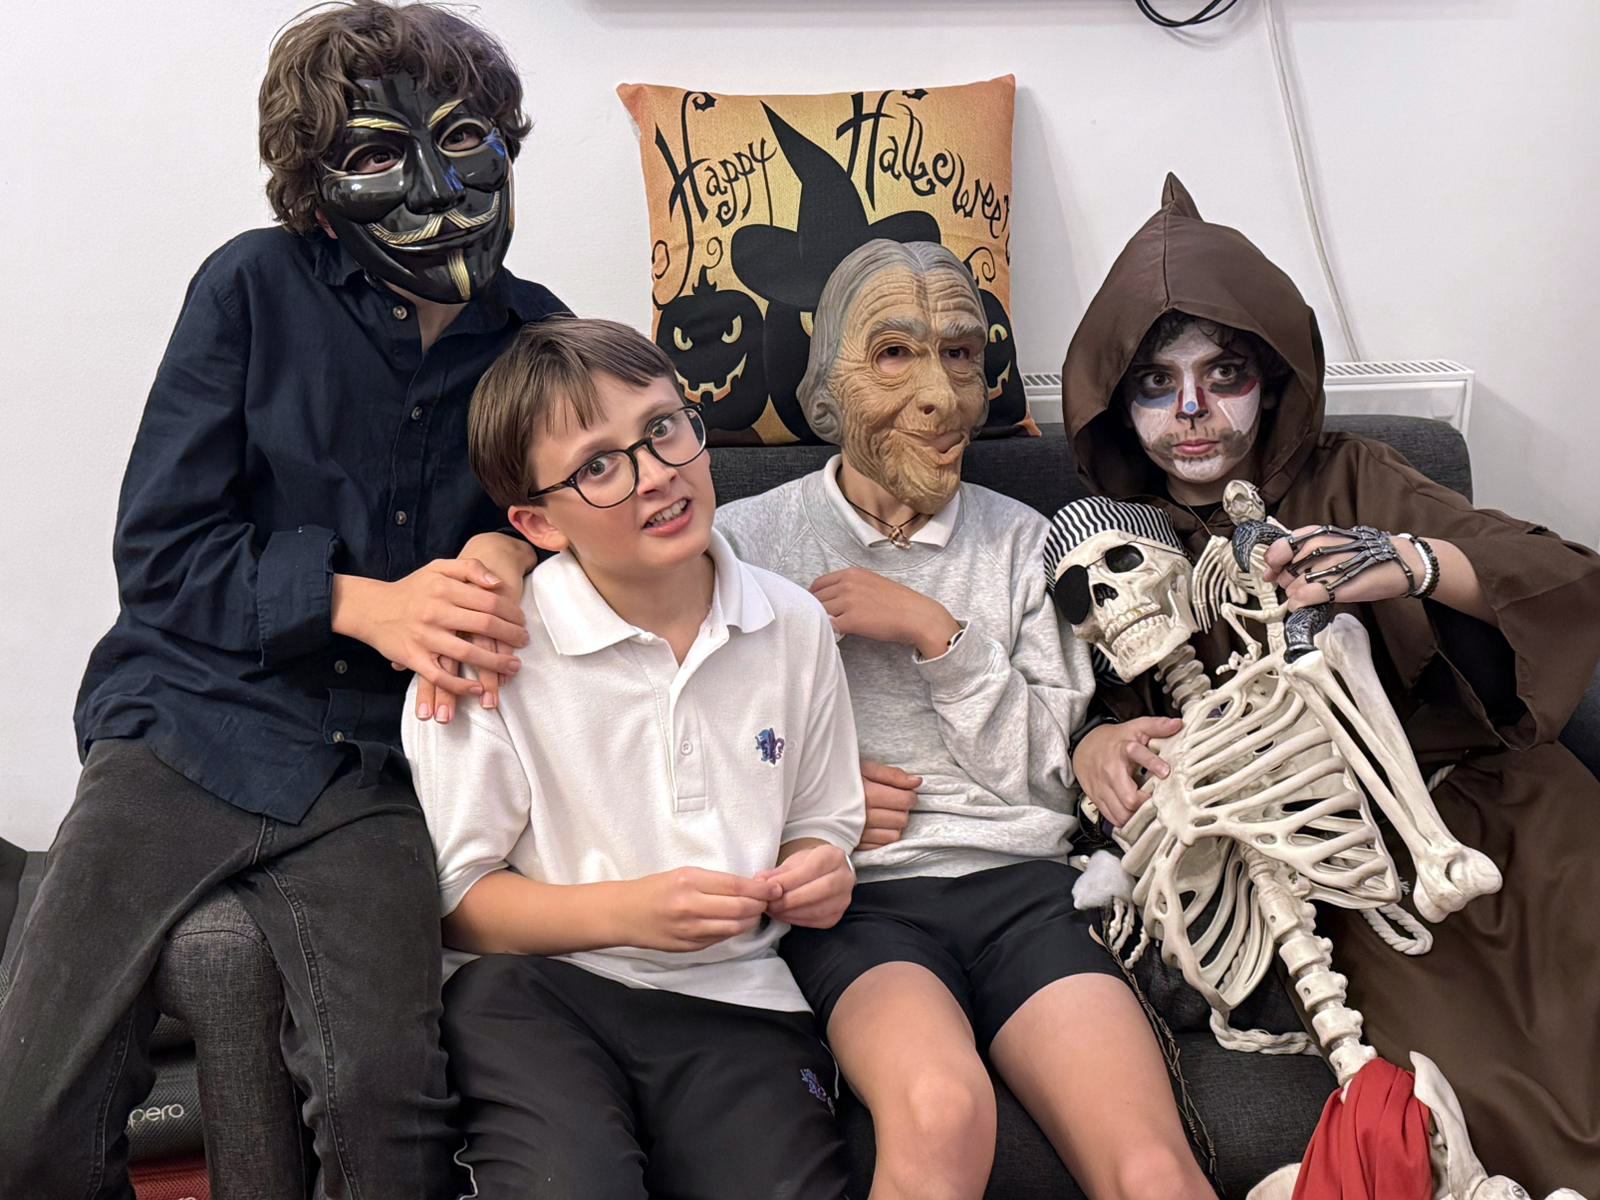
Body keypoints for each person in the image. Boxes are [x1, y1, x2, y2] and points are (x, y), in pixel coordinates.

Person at [0, 5, 566, 1195]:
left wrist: (527, 554)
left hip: (379, 767)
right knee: (26, 1111)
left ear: (507, 143)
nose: (433, 185)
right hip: (187, 725)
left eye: (463, 139)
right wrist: (363, 603)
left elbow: (612, 522)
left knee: (383, 1113)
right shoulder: (248, 289)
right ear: (313, 189)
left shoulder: (544, 343)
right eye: (374, 155)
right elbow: (161, 551)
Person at [1060, 173, 1600, 1196]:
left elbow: (1561, 575)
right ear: (1115, 398)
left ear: (1270, 377)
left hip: (1505, 810)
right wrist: (1096, 745)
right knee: (1485, 1096)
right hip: (1346, 877)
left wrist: (1411, 561)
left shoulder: (1356, 475)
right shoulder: (1106, 542)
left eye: (1222, 373)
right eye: (1154, 383)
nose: (1190, 412)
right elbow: (1076, 709)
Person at [717, 238, 1217, 1200]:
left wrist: (938, 635)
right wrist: (810, 801)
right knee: (943, 1112)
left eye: (961, 354)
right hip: (860, 905)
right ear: (828, 392)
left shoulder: (1028, 541)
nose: (942, 396)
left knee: (1153, 1170)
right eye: (896, 354)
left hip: (1024, 890)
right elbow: (695, 751)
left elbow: (1040, 777)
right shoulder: (746, 543)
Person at [406, 317, 864, 1198]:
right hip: (538, 992)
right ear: (536, 521)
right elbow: (457, 901)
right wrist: (628, 911)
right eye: (600, 467)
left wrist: (821, 870)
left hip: (740, 1000)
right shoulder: (490, 648)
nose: (657, 476)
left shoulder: (791, 623)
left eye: (662, 429)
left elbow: (820, 820)